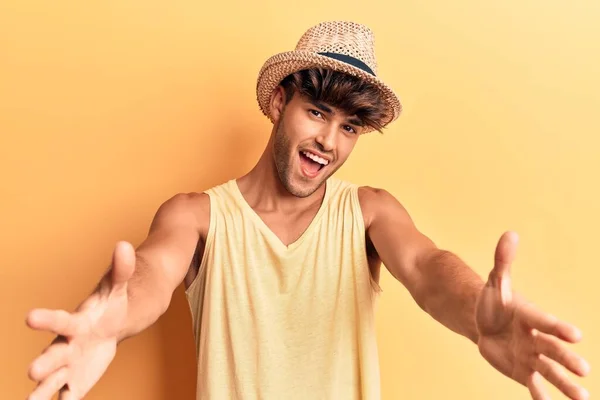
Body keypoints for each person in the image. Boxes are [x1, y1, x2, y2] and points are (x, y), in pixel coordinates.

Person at [25, 21, 590, 400]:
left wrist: (476, 314)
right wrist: (112, 320)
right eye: (317, 112)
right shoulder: (197, 216)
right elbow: (149, 276)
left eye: (349, 127)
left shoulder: (368, 212)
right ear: (279, 103)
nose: (329, 142)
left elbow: (427, 268)